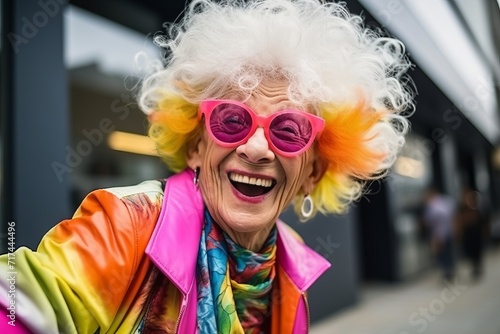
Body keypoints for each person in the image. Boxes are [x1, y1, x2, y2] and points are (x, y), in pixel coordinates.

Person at [0, 0, 412, 333]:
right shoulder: (127, 224)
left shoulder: (291, 264)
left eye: (288, 130)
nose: (256, 148)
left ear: (313, 172)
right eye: (232, 120)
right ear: (196, 147)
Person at [422, 188, 457, 281]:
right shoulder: (447, 202)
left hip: (439, 235)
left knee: (443, 253)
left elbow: (429, 221)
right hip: (448, 232)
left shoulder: (433, 205)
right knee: (448, 252)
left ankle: (447, 271)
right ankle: (450, 270)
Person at [456, 189, 489, 280]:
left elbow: (483, 222)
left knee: (477, 251)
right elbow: (459, 222)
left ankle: (477, 267)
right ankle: (475, 266)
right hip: (468, 235)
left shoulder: (478, 208)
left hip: (476, 234)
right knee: (470, 251)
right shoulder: (462, 209)